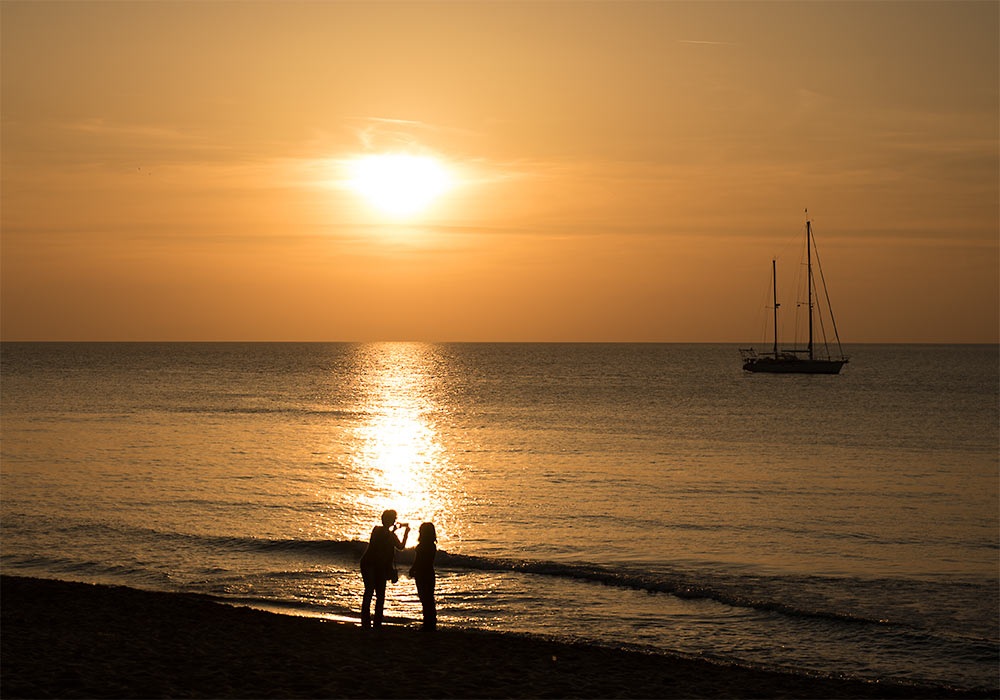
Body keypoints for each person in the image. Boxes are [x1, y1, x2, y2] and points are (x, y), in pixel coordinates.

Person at [359, 509, 409, 628]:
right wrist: (400, 532)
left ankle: (375, 622)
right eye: (392, 519)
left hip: (378, 566)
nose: (393, 521)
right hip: (370, 564)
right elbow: (388, 542)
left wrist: (404, 533)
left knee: (378, 594)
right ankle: (367, 621)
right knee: (371, 591)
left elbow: (400, 546)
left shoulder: (384, 532)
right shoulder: (379, 531)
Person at [408, 521, 437, 630]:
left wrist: (413, 569)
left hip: (423, 573)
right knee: (428, 598)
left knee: (425, 599)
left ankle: (428, 623)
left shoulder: (423, 545)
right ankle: (430, 622)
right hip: (428, 573)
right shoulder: (432, 545)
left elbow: (419, 560)